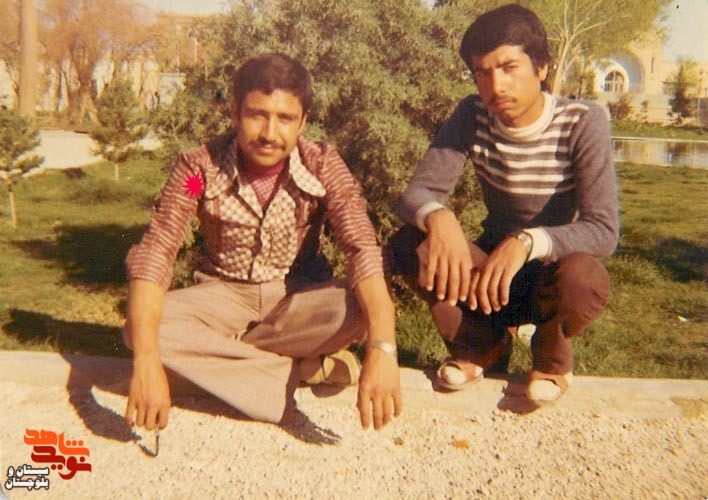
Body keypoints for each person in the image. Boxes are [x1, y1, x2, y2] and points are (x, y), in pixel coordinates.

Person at [123, 53, 401, 431]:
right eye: (257, 115)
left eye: (285, 118)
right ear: (235, 113)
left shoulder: (322, 165)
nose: (270, 133)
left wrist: (383, 350)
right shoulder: (199, 171)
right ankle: (295, 370)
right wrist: (145, 362)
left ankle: (229, 358)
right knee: (141, 329)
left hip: (295, 297)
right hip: (222, 295)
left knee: (358, 306)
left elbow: (362, 248)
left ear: (303, 121)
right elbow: (158, 248)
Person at [390, 4, 618, 404]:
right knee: (411, 244)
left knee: (584, 276)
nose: (496, 86)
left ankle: (551, 359)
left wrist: (527, 241)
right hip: (487, 279)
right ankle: (482, 345)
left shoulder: (583, 121)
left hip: (551, 275)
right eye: (483, 73)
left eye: (509, 68)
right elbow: (416, 194)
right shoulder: (472, 114)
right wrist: (439, 217)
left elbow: (603, 230)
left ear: (541, 67)